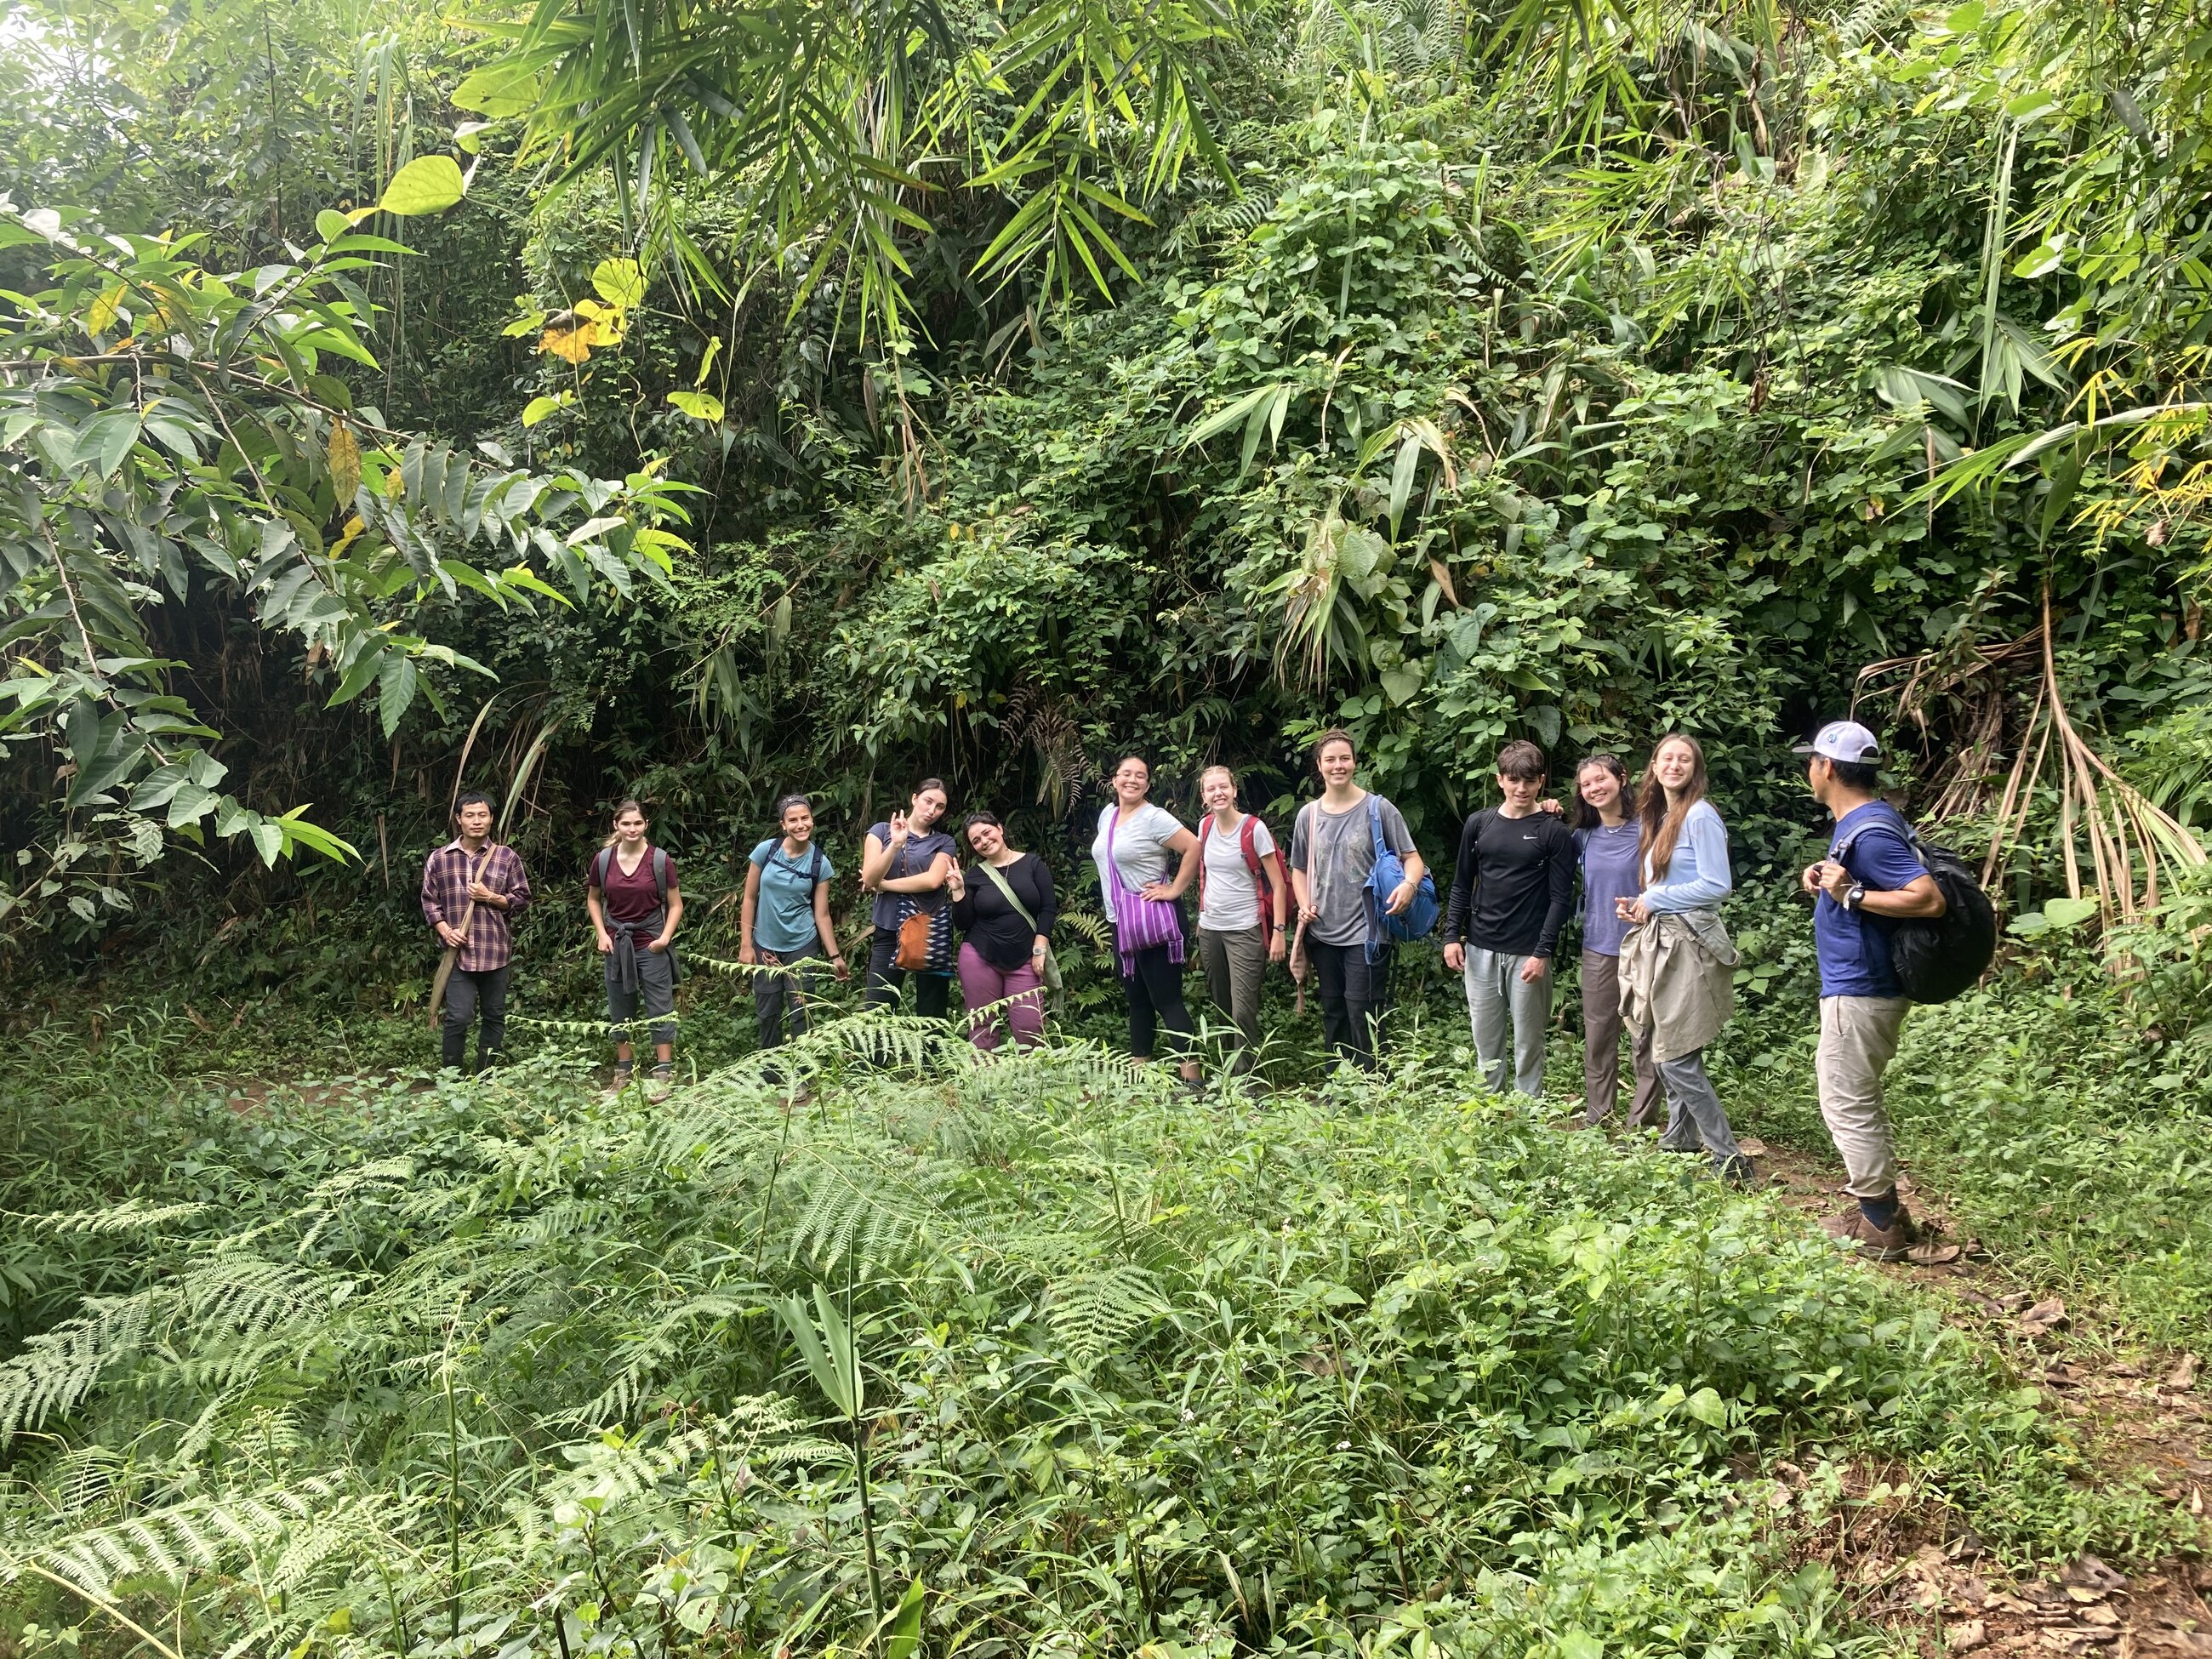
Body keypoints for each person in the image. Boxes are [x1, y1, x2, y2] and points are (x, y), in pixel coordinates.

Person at [1797, 719, 1947, 1260]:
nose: (1809, 770)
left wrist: (1854, 894)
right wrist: (1828, 877)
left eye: (1812, 761)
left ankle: (1880, 1224)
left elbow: (1927, 898)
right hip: (1862, 984)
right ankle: (1882, 1210)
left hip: (1861, 987)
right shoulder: (1864, 822)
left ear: (1828, 768)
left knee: (1845, 1100)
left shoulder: (1873, 828)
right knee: (1854, 1095)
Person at [1616, 734, 1753, 1182]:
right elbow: (1669, 889)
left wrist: (1656, 900)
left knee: (1674, 1054)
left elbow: (1717, 885)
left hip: (1689, 943)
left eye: (1685, 759)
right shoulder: (1662, 816)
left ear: (1696, 769)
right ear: (1653, 766)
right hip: (1665, 939)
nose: (1675, 765)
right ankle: (1680, 1135)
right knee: (1663, 1042)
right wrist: (1642, 902)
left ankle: (1730, 1158)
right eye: (1667, 758)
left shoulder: (1699, 815)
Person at [1440, 740, 1576, 1099]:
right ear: (1500, 780)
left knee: (1529, 1041)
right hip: (1481, 947)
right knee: (1485, 1038)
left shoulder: (1553, 831)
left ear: (1541, 781)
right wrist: (1452, 935)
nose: (1521, 788)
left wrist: (1543, 951)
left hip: (1528, 952)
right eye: (1514, 780)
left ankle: (1528, 1113)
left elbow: (1561, 898)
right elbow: (1462, 883)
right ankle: (1490, 1111)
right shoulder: (1479, 823)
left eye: (1529, 781)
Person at [1289, 730, 1427, 1072]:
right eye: (1331, 760)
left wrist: (1409, 885)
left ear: (1355, 762)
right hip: (1322, 932)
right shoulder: (1308, 815)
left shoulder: (1378, 810)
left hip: (1368, 932)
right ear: (1319, 767)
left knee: (1362, 1009)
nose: (1339, 766)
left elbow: (1413, 859)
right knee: (1333, 1009)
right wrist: (1304, 903)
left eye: (1345, 758)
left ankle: (1372, 1085)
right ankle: (1338, 1083)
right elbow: (1299, 869)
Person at [1091, 755, 1204, 1086]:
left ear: (1148, 784)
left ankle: (1192, 1079)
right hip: (1122, 921)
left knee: (1167, 999)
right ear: (1114, 781)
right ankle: (1140, 1071)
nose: (1132, 780)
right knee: (1137, 998)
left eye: (1140, 776)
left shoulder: (1154, 817)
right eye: (1126, 774)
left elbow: (1193, 847)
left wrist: (1174, 889)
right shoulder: (1108, 815)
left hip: (1154, 919)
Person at [1570, 755, 1662, 1128]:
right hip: (1598, 945)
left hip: (1645, 945)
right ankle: (1599, 1117)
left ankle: (1639, 1121)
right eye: (1586, 784)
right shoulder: (1582, 836)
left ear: (1622, 779)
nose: (1594, 788)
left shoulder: (1651, 829)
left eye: (1600, 779)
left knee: (1644, 1035)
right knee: (1598, 1034)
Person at [420, 790, 533, 1074]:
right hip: (459, 954)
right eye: (469, 815)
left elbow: (522, 899)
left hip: (496, 951)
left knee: (494, 1016)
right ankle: (453, 1079)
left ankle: (485, 1076)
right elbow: (429, 901)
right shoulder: (440, 858)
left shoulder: (506, 857)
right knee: (458, 1017)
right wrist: (445, 930)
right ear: (459, 819)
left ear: (491, 819)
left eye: (482, 815)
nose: (476, 821)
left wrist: (490, 897)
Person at [1194, 764, 1289, 1073]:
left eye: (1224, 787)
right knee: (1221, 1006)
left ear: (1234, 790)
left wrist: (1278, 932)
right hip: (1211, 930)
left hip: (1245, 929)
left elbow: (1278, 884)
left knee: (1243, 1010)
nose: (1218, 793)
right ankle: (1225, 1073)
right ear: (1204, 796)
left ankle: (1244, 1081)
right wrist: (1201, 916)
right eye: (1211, 789)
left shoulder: (1253, 829)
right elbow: (1205, 875)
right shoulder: (1204, 827)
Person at [585, 799, 684, 1096]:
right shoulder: (603, 860)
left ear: (646, 825)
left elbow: (676, 904)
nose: (632, 829)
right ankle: (623, 1073)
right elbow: (593, 899)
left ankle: (663, 1074)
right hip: (616, 945)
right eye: (626, 823)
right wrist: (601, 934)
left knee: (660, 1007)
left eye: (637, 823)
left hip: (651, 942)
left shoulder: (660, 860)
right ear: (616, 825)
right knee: (620, 1007)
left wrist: (665, 938)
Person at [742, 794, 848, 1050]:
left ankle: (803, 1074)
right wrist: (746, 944)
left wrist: (835, 956)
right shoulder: (766, 851)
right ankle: (770, 1071)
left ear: (812, 820)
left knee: (802, 1012)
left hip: (802, 944)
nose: (801, 825)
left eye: (805, 818)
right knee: (767, 1012)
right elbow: (748, 898)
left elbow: (822, 914)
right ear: (783, 825)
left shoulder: (819, 862)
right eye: (793, 820)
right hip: (765, 944)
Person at [947, 811, 1057, 1054]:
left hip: (1025, 956)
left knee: (1031, 1028)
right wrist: (958, 890)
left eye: (987, 833)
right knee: (982, 1026)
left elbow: (1048, 908)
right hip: (980, 956)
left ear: (1000, 829)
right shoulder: (975, 875)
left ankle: (1032, 1087)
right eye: (976, 840)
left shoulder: (1032, 864)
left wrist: (1039, 949)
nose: (984, 841)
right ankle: (984, 1085)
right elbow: (963, 923)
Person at [858, 778, 956, 1018]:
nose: (932, 811)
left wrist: (885, 885)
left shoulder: (945, 842)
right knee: (878, 1010)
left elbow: (932, 880)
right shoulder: (881, 831)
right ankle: (873, 1058)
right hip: (888, 929)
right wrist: (895, 844)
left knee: (931, 1013)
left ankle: (930, 1056)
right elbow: (869, 878)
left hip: (928, 930)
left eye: (940, 806)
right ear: (914, 799)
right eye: (928, 801)